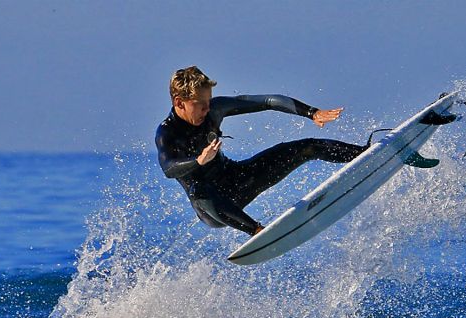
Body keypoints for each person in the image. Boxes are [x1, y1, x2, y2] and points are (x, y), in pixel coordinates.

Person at [155, 66, 368, 236]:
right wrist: (199, 161)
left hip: (239, 180)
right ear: (179, 103)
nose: (207, 109)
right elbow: (169, 169)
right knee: (198, 190)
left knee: (306, 147)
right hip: (213, 208)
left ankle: (364, 155)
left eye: (209, 102)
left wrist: (311, 112)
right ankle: (256, 231)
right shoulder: (167, 133)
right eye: (200, 104)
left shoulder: (215, 110)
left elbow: (267, 101)